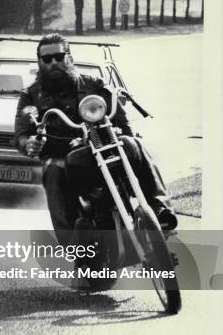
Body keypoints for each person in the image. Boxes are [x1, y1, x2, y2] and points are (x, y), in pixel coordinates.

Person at [14, 33, 177, 244]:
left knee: (133, 143)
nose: (53, 62)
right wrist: (30, 143)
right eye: (47, 59)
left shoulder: (94, 85)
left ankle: (159, 208)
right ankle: (73, 241)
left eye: (59, 56)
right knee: (53, 173)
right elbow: (21, 134)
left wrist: (122, 132)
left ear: (69, 58)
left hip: (101, 150)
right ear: (39, 62)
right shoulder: (30, 96)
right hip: (63, 159)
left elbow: (122, 124)